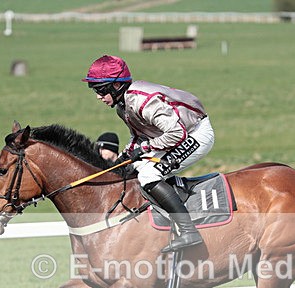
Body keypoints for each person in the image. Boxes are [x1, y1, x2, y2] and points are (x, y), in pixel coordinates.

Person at [82, 55, 215, 254]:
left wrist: (145, 149)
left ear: (116, 86)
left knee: (148, 174)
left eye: (101, 90)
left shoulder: (143, 101)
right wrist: (124, 157)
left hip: (196, 133)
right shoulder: (122, 106)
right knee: (133, 168)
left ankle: (189, 231)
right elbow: (139, 136)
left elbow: (177, 134)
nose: (98, 96)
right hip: (172, 134)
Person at [91, 131, 150, 288]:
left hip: (126, 230)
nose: (100, 152)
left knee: (122, 277)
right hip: (105, 232)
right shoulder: (99, 171)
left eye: (103, 148)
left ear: (113, 150)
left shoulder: (125, 168)